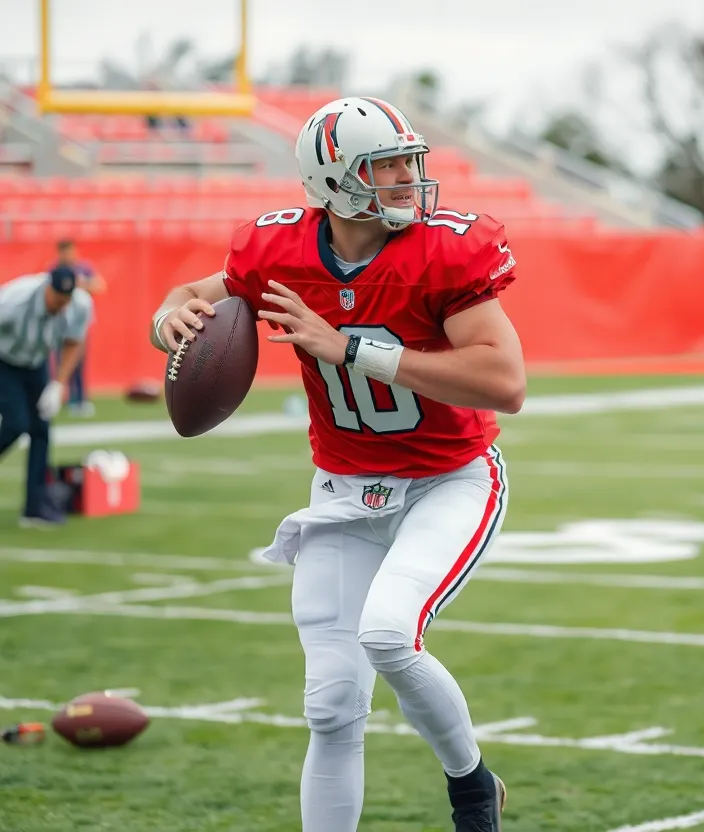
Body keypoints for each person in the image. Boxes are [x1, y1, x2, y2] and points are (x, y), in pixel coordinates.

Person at [149, 96, 525, 832]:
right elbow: (193, 296)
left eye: (406, 163)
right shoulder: (277, 251)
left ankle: (471, 784)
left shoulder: (442, 249)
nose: (404, 180)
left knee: (388, 634)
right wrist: (168, 319)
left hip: (448, 479)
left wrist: (352, 346)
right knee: (329, 705)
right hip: (344, 489)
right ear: (331, 180)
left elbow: (505, 383)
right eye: (383, 166)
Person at [0, 266, 94, 527]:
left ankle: (34, 507)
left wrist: (59, 382)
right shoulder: (14, 300)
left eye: (66, 300)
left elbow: (74, 342)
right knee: (16, 423)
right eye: (56, 299)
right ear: (46, 288)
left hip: (36, 362)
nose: (61, 305)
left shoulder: (79, 305)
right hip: (4, 361)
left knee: (41, 428)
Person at [51, 238, 107, 416]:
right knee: (62, 360)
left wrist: (83, 284)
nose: (67, 255)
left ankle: (80, 398)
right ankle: (63, 396)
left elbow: (100, 286)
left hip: (80, 322)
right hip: (60, 322)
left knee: (79, 360)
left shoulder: (84, 268)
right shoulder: (55, 269)